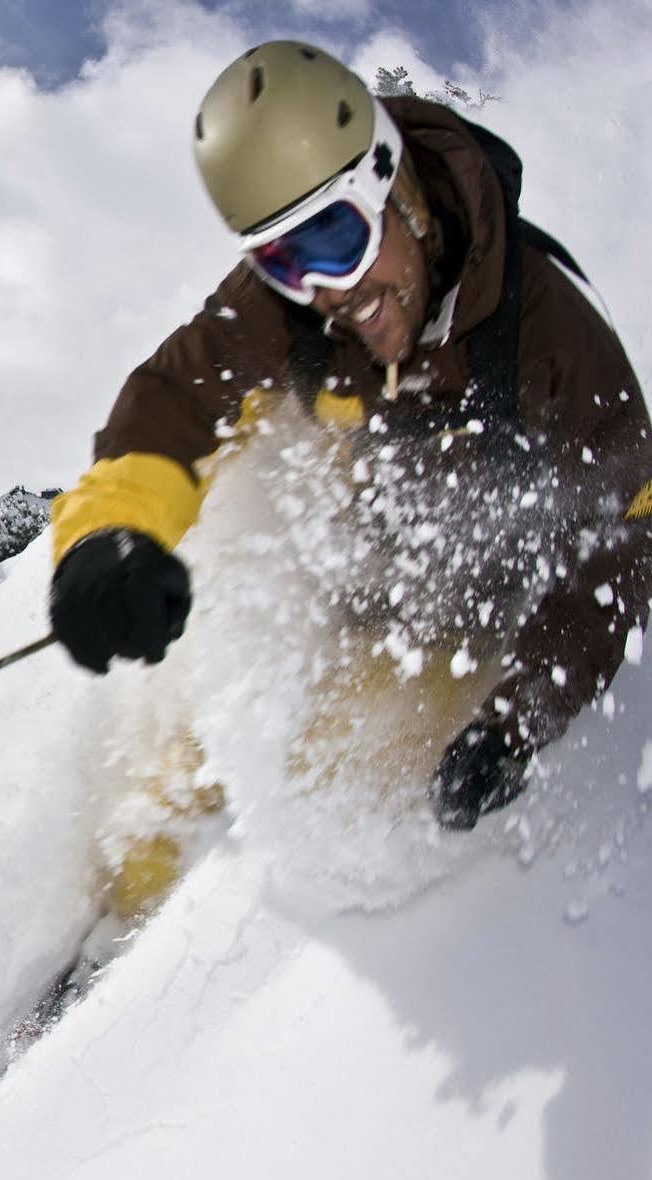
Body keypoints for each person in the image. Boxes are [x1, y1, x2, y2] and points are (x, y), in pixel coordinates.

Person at [47, 42, 652, 871]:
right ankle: (120, 916)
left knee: (335, 794)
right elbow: (179, 396)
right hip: (357, 596)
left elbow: (628, 540)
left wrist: (516, 721)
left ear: (395, 183)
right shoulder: (298, 309)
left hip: (484, 636)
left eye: (334, 238)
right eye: (279, 260)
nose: (324, 291)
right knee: (195, 770)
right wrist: (106, 534)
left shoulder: (551, 335)